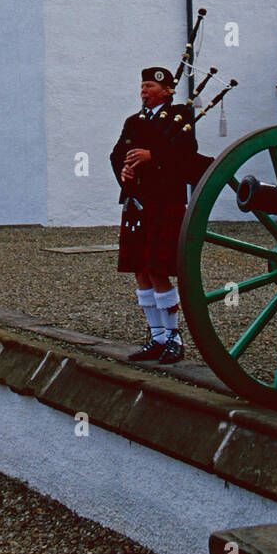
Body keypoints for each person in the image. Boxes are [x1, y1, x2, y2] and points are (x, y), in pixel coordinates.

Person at [109, 66, 201, 364]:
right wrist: (123, 171)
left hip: (165, 201)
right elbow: (117, 154)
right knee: (140, 270)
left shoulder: (180, 117)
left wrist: (153, 156)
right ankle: (157, 337)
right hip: (137, 202)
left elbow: (187, 156)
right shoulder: (134, 121)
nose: (143, 91)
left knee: (158, 269)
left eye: (149, 86)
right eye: (142, 86)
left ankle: (175, 338)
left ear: (167, 90)